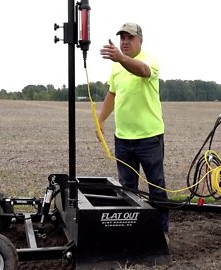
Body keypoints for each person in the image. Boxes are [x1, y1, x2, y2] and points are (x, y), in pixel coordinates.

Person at [98, 22, 169, 236]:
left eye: (129, 38)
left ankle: (160, 233)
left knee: (156, 187)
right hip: (123, 139)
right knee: (127, 189)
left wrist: (121, 58)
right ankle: (132, 234)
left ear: (140, 40)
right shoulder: (116, 66)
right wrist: (100, 121)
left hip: (149, 139)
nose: (125, 42)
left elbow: (142, 70)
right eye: (122, 38)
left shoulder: (149, 60)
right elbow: (112, 93)